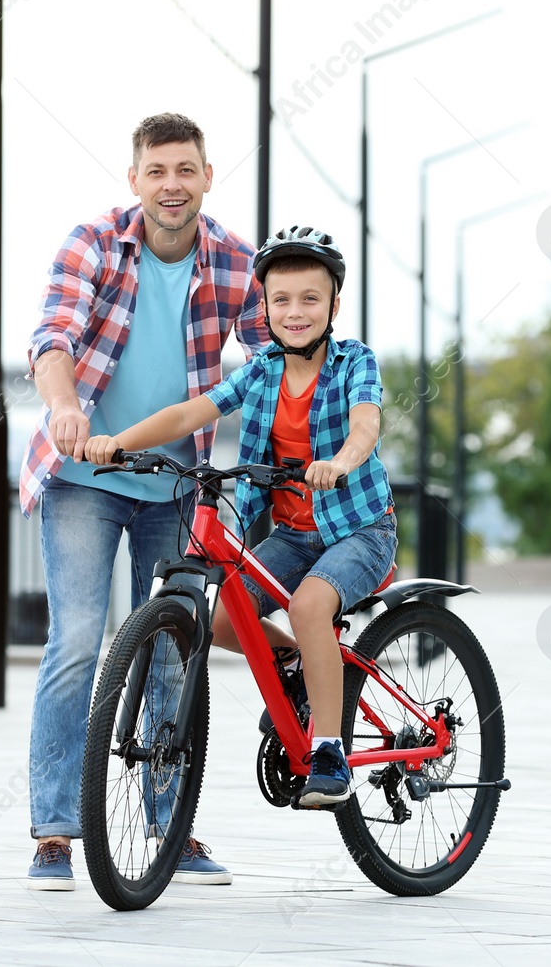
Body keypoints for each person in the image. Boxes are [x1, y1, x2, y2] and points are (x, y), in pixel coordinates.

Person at [21, 113, 266, 891]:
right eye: (157, 171)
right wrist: (65, 409)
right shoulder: (93, 242)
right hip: (86, 475)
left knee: (171, 653)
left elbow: (278, 349)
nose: (171, 185)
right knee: (79, 641)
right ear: (135, 179)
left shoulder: (233, 259)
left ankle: (171, 827)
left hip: (173, 481)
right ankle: (55, 833)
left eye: (185, 170)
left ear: (206, 176)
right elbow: (53, 337)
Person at [83, 225, 397, 808]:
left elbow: (366, 423)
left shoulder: (355, 362)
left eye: (310, 299)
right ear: (266, 306)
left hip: (358, 529)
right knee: (225, 616)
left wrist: (342, 461)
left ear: (333, 303)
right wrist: (115, 443)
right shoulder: (262, 370)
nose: (295, 312)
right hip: (296, 535)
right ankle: (301, 665)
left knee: (308, 606)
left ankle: (329, 749)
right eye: (281, 300)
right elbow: (188, 414)